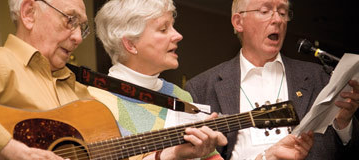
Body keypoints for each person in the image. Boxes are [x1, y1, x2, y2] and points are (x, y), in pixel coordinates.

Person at [91, 0, 314, 160]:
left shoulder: (182, 97)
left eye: (173, 26)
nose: (178, 35)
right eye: (163, 29)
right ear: (130, 44)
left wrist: (268, 156)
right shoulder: (90, 101)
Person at [184, 0, 359, 159]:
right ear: (238, 22)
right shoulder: (201, 88)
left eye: (283, 13)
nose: (277, 20)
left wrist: (343, 122)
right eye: (265, 11)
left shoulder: (319, 77)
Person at [0, 0, 92, 159]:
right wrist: (11, 150)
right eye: (70, 20)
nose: (78, 37)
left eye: (82, 27)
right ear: (29, 13)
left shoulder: (81, 92)